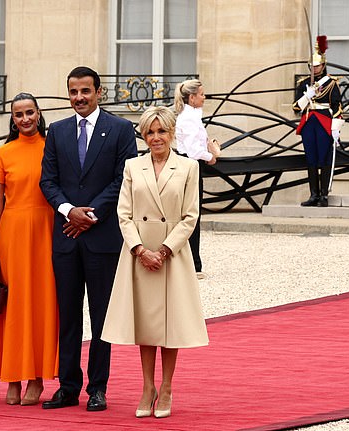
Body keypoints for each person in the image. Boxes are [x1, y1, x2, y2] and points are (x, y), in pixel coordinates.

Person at [39, 66, 138, 412]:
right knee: (67, 316)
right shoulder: (58, 130)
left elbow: (124, 178)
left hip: (102, 239)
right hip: (66, 237)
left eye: (84, 91)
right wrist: (69, 211)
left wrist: (90, 214)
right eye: (72, 92)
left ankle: (97, 387)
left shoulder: (121, 129)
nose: (78, 98)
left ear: (98, 92)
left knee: (100, 318)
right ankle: (68, 387)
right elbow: (47, 180)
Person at [101, 106, 209, 419]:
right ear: (144, 135)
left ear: (172, 133)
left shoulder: (188, 167)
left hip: (171, 254)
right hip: (139, 254)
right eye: (150, 132)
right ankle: (147, 386)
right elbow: (124, 213)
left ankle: (166, 386)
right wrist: (139, 250)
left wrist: (163, 250)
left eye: (162, 131)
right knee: (146, 323)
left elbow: (190, 216)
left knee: (170, 324)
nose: (156, 137)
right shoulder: (133, 166)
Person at [0, 93, 59, 406]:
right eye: (18, 114)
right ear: (12, 119)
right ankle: (12, 377)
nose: (25, 119)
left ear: (38, 114)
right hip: (12, 234)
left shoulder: (53, 148)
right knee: (12, 307)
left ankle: (37, 378)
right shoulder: (2, 154)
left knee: (40, 306)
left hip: (46, 232)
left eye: (29, 112)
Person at [174, 79, 218, 278]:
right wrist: (211, 156)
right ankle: (193, 264)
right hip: (190, 166)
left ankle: (192, 262)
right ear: (192, 98)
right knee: (192, 215)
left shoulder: (191, 116)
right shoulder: (189, 118)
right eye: (201, 94)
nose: (204, 97)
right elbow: (193, 150)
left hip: (190, 165)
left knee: (191, 214)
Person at [293, 35, 343, 208]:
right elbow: (296, 108)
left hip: (324, 122)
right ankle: (313, 194)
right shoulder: (304, 83)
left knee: (324, 158)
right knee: (311, 158)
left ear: (323, 65)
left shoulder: (331, 83)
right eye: (312, 66)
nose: (315, 68)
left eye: (318, 65)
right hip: (308, 122)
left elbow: (337, 107)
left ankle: (324, 195)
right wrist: (307, 96)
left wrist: (336, 128)